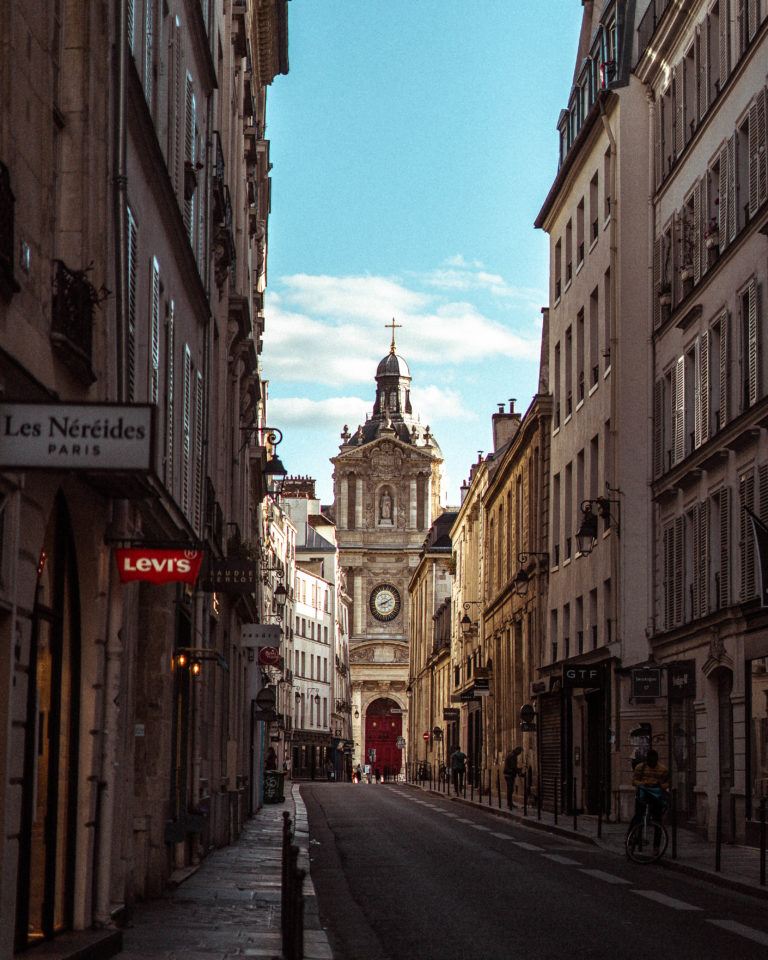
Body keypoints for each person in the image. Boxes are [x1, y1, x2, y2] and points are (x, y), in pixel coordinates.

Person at [628, 749, 670, 849]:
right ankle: (631, 837)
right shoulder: (640, 767)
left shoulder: (663, 770)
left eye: (653, 762)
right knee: (638, 816)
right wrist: (643, 783)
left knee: (657, 820)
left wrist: (661, 785)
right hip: (643, 794)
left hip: (656, 795)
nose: (651, 764)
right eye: (649, 762)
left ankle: (656, 847)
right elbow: (634, 781)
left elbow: (668, 783)